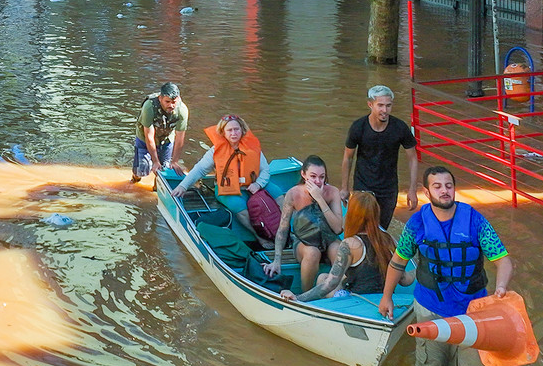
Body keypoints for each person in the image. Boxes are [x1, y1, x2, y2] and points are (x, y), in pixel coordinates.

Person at [379, 166, 514, 366]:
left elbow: (502, 259)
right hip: (431, 307)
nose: (444, 191)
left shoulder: (475, 221)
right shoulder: (417, 223)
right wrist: (386, 297)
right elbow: (397, 262)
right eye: (437, 186)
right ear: (426, 191)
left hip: (473, 310)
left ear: (454, 188)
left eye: (448, 186)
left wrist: (501, 287)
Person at [278, 191, 415, 301]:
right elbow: (404, 280)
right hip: (383, 298)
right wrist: (422, 269)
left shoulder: (350, 245)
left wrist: (299, 298)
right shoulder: (389, 239)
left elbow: (329, 284)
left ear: (353, 215)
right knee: (323, 277)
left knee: (323, 280)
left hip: (357, 300)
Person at [171, 114, 282, 248]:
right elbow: (199, 170)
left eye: (236, 129)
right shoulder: (215, 151)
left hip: (254, 184)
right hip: (228, 189)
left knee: (280, 195)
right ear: (223, 133)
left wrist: (258, 184)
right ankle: (260, 238)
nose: (234, 133)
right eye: (229, 130)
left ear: (242, 130)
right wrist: (183, 186)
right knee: (241, 209)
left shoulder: (252, 147)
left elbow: (265, 170)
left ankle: (286, 232)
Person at [340, 85, 420, 230]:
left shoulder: (400, 128)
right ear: (370, 104)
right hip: (362, 187)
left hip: (388, 189)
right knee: (359, 228)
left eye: (388, 106)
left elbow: (413, 158)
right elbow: (348, 157)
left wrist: (412, 189)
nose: (384, 110)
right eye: (380, 105)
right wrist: (344, 188)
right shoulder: (358, 127)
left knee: (380, 230)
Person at [263, 155, 344, 291]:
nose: (318, 181)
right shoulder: (293, 194)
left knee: (340, 250)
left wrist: (320, 199)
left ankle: (340, 291)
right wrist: (277, 260)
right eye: (313, 176)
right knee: (312, 253)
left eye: (322, 177)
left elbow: (337, 229)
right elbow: (283, 229)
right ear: (303, 174)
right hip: (304, 242)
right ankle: (305, 295)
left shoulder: (333, 192)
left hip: (329, 239)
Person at [132, 82, 188, 183]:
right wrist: (155, 161)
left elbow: (180, 138)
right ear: (160, 98)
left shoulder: (182, 110)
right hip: (144, 137)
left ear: (178, 99)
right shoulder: (149, 106)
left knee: (164, 170)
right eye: (167, 101)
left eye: (174, 102)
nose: (171, 105)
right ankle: (135, 179)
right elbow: (149, 136)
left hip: (166, 137)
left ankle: (156, 190)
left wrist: (174, 161)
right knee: (142, 168)